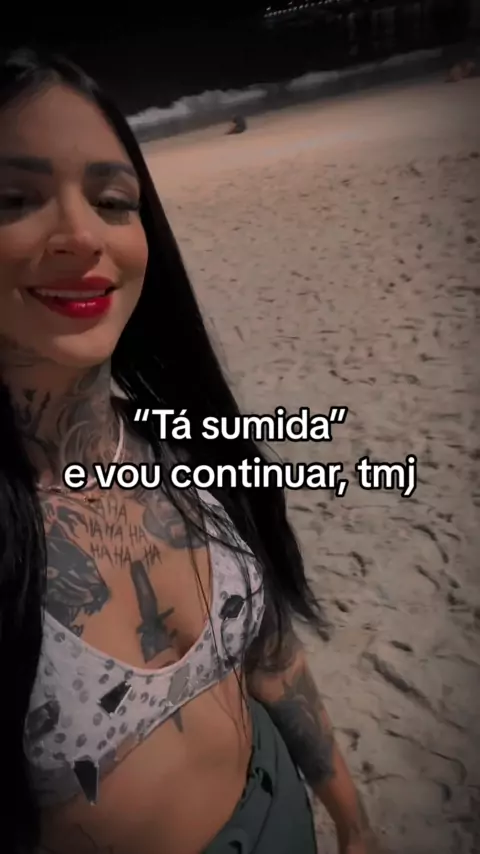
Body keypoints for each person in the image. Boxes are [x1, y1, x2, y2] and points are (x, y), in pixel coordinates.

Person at [0, 48, 379, 854]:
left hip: (282, 811)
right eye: (12, 199)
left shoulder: (189, 440)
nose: (80, 234)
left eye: (113, 201)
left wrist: (350, 816)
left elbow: (270, 650)